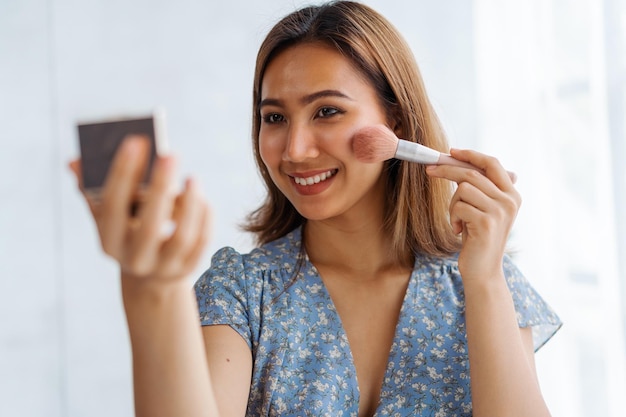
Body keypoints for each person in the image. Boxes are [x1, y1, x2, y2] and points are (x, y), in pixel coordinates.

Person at [70, 1, 561, 416]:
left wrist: (484, 280)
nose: (295, 149)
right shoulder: (242, 292)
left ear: (395, 118)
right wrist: (152, 287)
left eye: (327, 111)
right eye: (275, 117)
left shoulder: (483, 283)